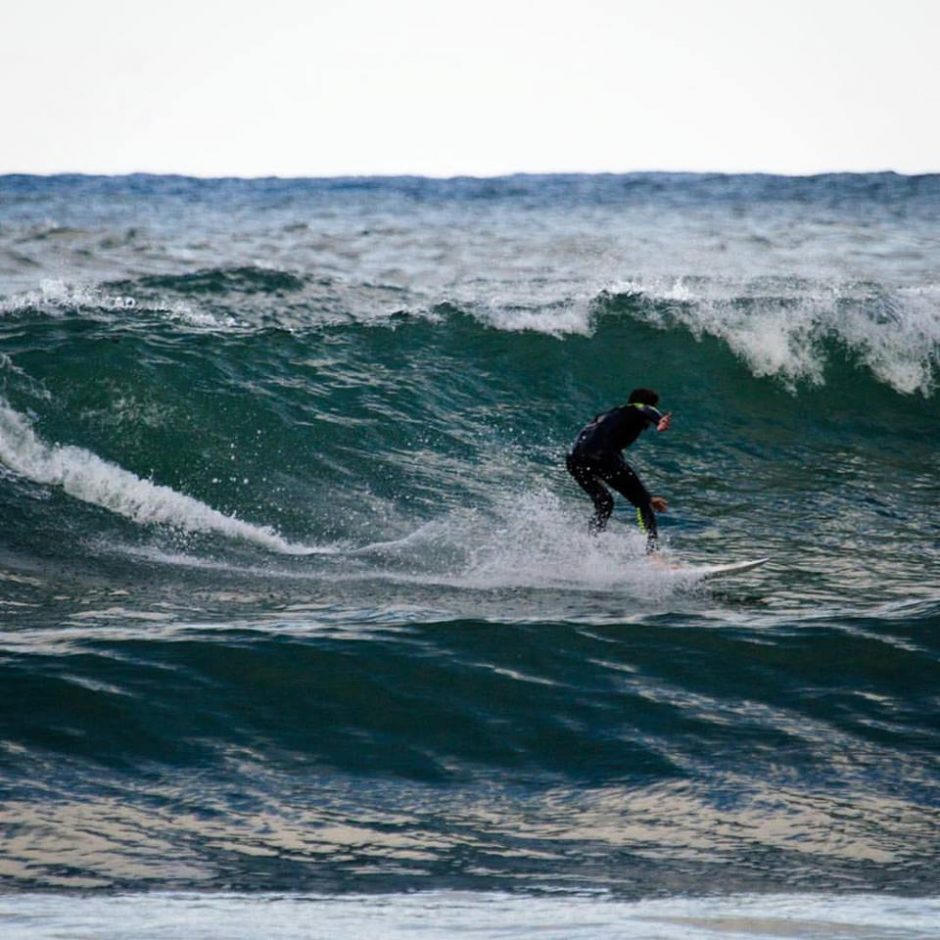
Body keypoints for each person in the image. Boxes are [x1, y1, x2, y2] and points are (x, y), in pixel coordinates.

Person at [566, 387, 672, 551]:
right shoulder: (636, 408)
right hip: (600, 455)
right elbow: (645, 408)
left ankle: (590, 547)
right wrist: (660, 420)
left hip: (574, 458)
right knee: (641, 503)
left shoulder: (608, 418)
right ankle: (653, 555)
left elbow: (619, 465)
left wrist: (646, 495)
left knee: (604, 502)